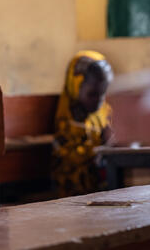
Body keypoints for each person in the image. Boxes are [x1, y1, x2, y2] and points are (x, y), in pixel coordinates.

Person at [52, 50, 114, 197]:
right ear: (75, 88)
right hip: (72, 197)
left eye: (103, 93)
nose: (99, 100)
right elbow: (69, 160)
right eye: (92, 94)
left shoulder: (104, 113)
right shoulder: (68, 121)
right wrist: (101, 149)